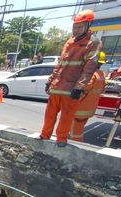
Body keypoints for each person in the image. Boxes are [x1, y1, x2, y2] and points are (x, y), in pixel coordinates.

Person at [39, 9, 101, 147]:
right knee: (50, 113)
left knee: (67, 115)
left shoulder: (93, 42)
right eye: (75, 27)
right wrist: (50, 81)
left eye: (79, 27)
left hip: (72, 87)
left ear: (88, 25)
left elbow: (89, 69)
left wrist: (79, 87)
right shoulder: (70, 41)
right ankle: (45, 134)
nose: (76, 30)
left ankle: (61, 138)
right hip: (58, 84)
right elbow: (60, 64)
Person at [70, 51, 107, 142]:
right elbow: (102, 90)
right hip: (89, 109)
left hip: (80, 109)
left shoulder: (90, 75)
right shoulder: (101, 74)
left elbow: (82, 92)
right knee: (78, 128)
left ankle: (76, 146)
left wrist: (71, 103)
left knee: (76, 132)